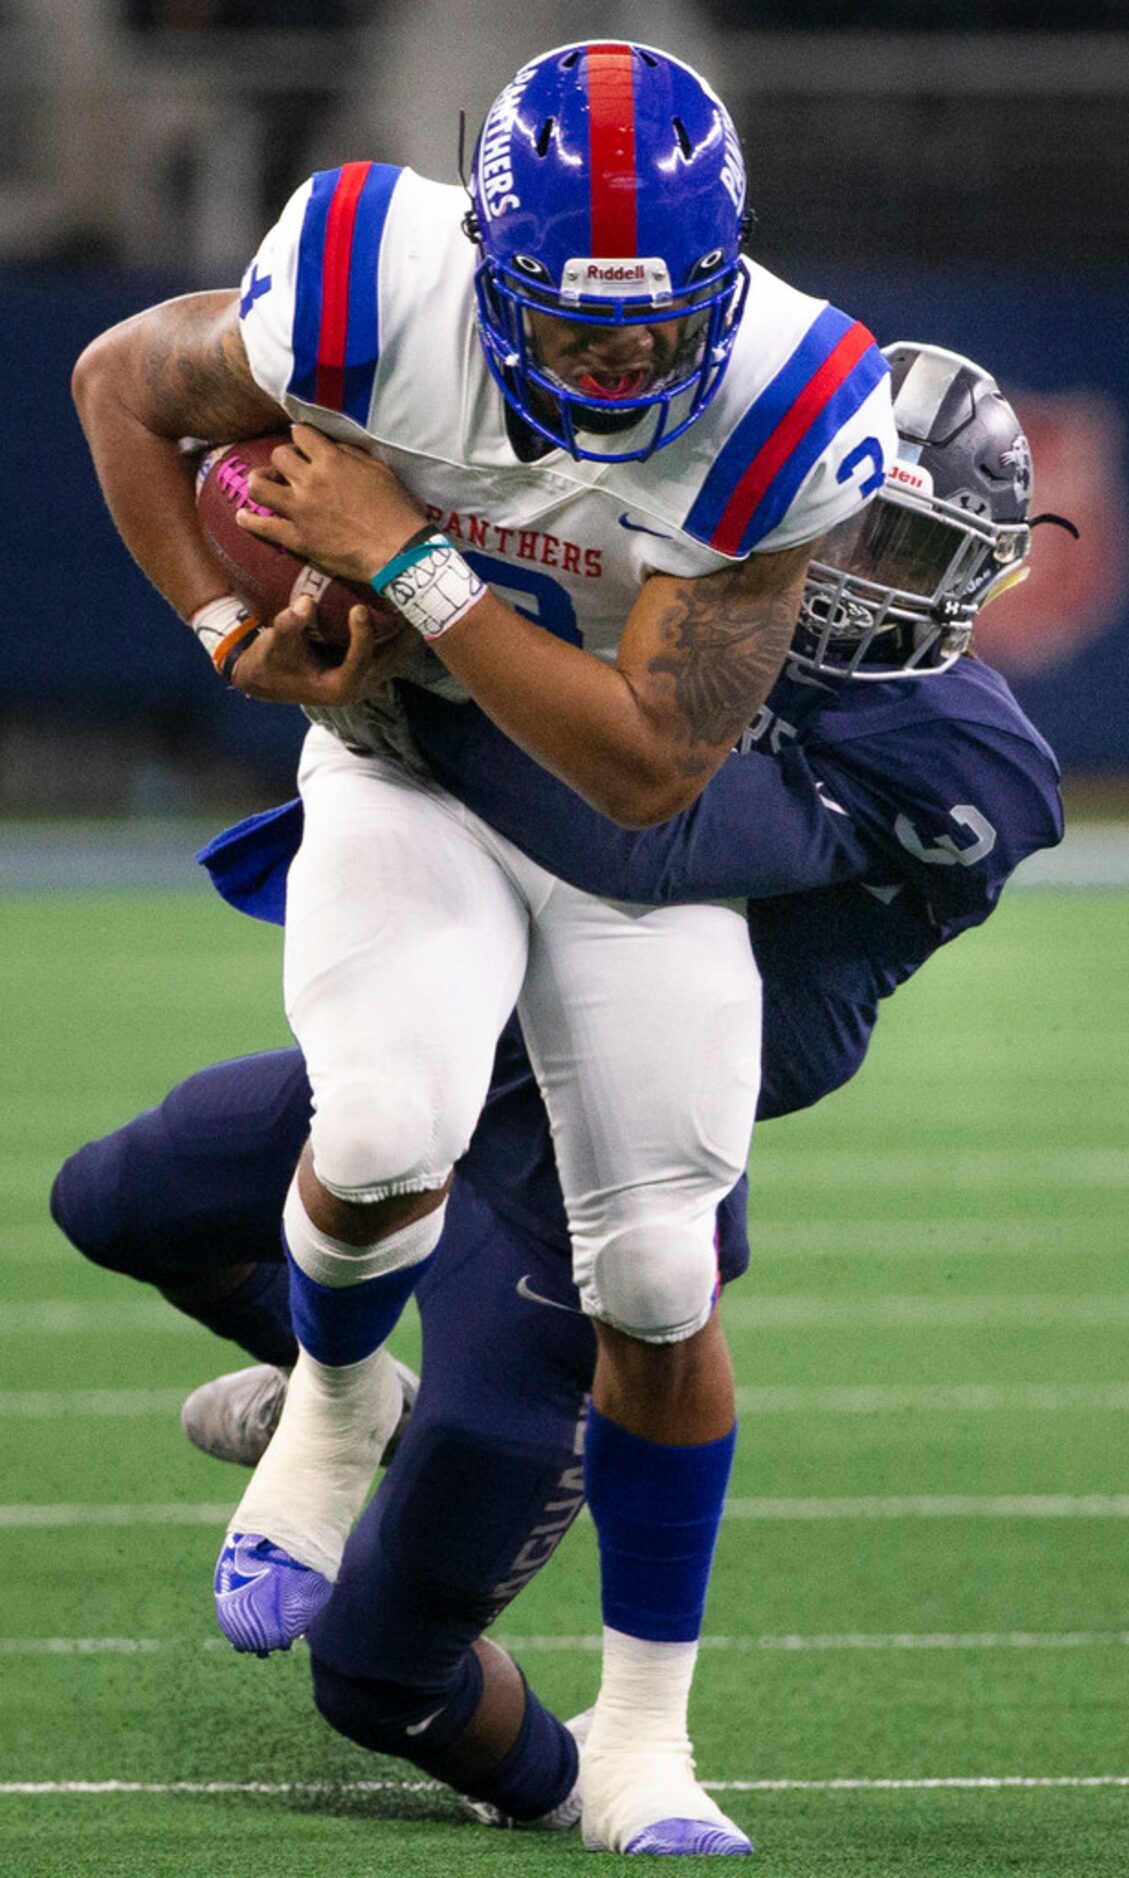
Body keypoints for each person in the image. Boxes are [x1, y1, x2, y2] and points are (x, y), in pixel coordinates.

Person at [54, 340, 1064, 1840]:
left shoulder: (968, 760)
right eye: (848, 517)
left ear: (970, 577)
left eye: (901, 547)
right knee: (117, 1199)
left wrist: (405, 645)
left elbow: (637, 833)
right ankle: (354, 1394)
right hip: (488, 1019)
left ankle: (584, 1771)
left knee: (378, 1671)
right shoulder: (689, 545)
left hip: (602, 1124)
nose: (848, 572)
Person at [72, 38, 897, 1857]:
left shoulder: (790, 394)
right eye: (575, 328)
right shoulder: (365, 282)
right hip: (406, 773)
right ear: (488, 270)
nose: (618, 368)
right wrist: (232, 623)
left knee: (665, 1278)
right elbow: (119, 382)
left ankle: (645, 1739)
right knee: (374, 1132)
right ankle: (338, 1409)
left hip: (625, 842)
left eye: (654, 328)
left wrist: (411, 562)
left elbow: (647, 756)